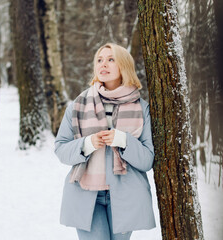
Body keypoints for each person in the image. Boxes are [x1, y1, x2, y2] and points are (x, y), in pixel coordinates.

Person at [55, 43, 156, 240]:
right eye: (99, 60)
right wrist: (87, 144)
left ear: (124, 66)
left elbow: (147, 160)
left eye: (111, 59)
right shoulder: (78, 105)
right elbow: (61, 148)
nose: (104, 64)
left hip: (126, 195)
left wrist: (124, 140)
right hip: (85, 194)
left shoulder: (141, 108)